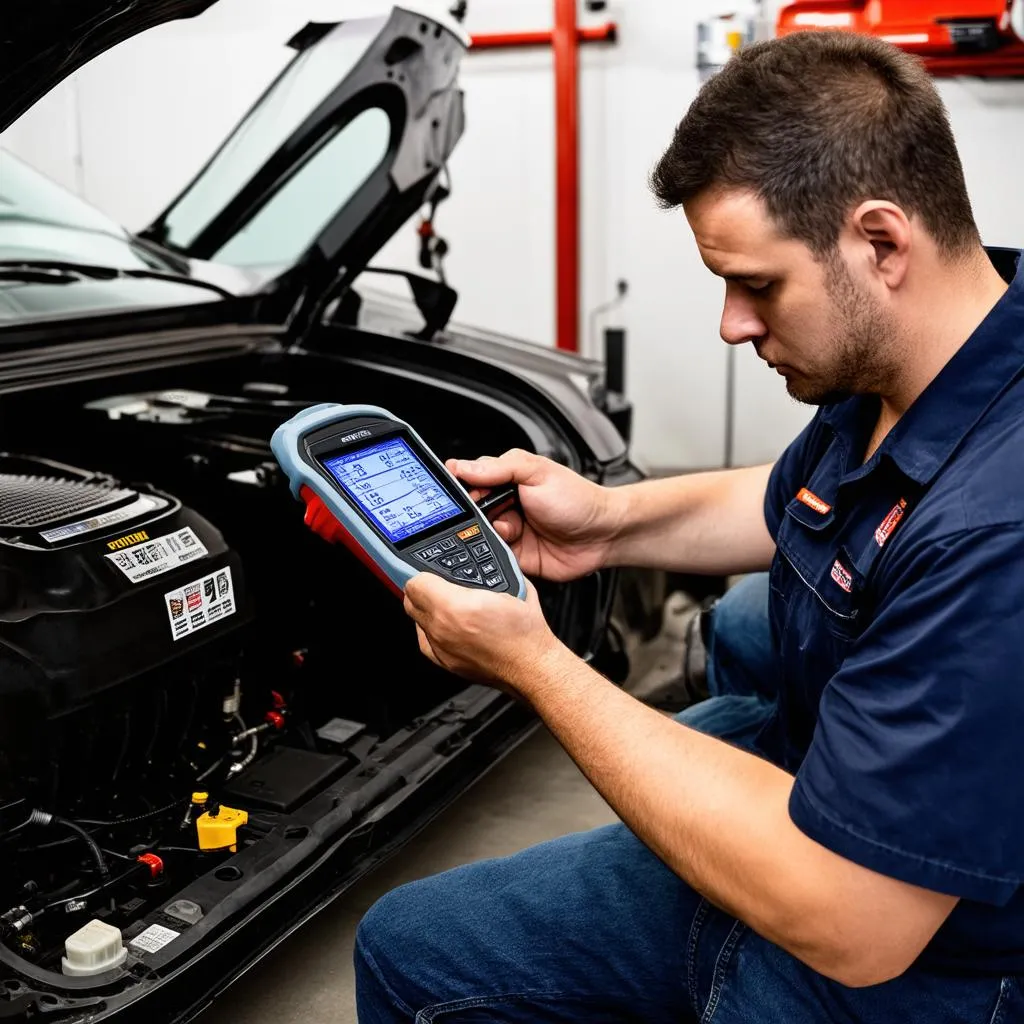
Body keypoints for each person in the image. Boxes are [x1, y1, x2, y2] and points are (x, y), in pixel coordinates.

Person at [354, 29, 1024, 1024]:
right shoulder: (924, 350)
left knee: (418, 965)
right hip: (820, 774)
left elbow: (856, 921)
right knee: (409, 943)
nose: (730, 324)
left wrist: (537, 665)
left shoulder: (992, 531)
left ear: (882, 241)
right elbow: (789, 497)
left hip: (911, 961)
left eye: (756, 284)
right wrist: (608, 522)